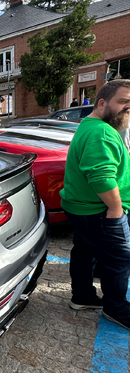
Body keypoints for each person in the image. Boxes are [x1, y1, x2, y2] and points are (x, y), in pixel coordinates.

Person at [60, 79, 130, 330]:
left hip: (81, 207)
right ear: (102, 103)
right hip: (98, 210)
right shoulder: (101, 132)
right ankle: (116, 308)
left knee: (85, 250)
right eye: (123, 101)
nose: (128, 108)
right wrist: (116, 208)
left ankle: (82, 296)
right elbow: (100, 176)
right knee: (119, 259)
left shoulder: (90, 125)